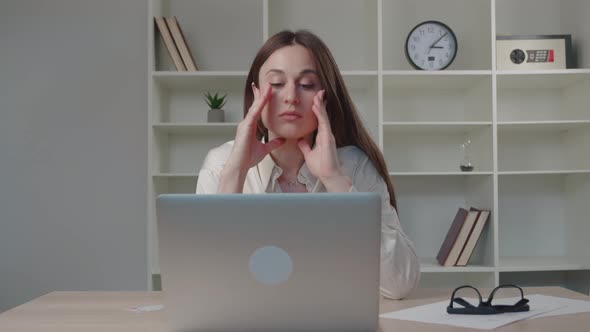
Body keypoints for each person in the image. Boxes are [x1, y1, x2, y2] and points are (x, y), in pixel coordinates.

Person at [196, 30, 420, 299]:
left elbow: (400, 285)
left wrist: (335, 179)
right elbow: (205, 285)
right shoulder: (221, 162)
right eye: (276, 83)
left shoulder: (355, 167)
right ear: (255, 93)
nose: (290, 96)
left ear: (325, 96)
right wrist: (236, 171)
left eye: (307, 84)